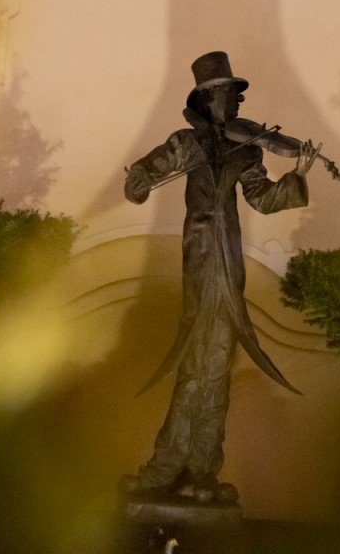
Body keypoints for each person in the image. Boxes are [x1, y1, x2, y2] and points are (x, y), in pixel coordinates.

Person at [121, 51, 319, 504]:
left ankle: (203, 472)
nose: (238, 103)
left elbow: (263, 199)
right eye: (231, 94)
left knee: (217, 363)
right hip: (200, 259)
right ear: (210, 97)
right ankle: (166, 467)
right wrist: (137, 181)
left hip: (228, 261)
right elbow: (148, 171)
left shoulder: (246, 148)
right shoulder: (186, 143)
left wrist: (298, 174)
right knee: (195, 361)